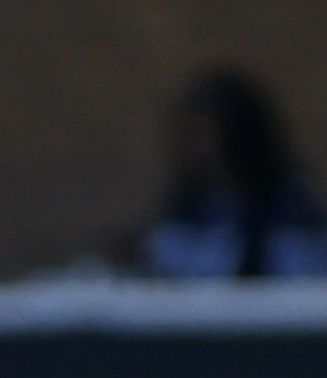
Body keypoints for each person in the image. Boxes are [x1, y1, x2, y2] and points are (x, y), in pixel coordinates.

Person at [129, 68, 327, 282]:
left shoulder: (289, 206)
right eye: (191, 137)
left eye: (205, 136)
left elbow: (298, 270)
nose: (200, 150)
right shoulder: (191, 207)